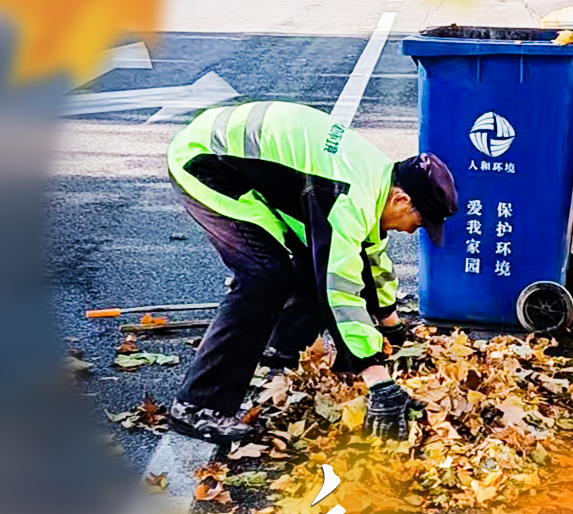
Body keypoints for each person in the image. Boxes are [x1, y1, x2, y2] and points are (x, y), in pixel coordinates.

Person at [166, 100, 458, 445]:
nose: (413, 232)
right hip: (206, 162)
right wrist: (377, 378)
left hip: (241, 163)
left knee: (312, 259)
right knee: (264, 274)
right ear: (401, 201)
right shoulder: (348, 197)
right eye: (420, 223)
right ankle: (197, 405)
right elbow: (339, 288)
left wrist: (391, 327)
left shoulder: (378, 180)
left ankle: (282, 355)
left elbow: (369, 259)